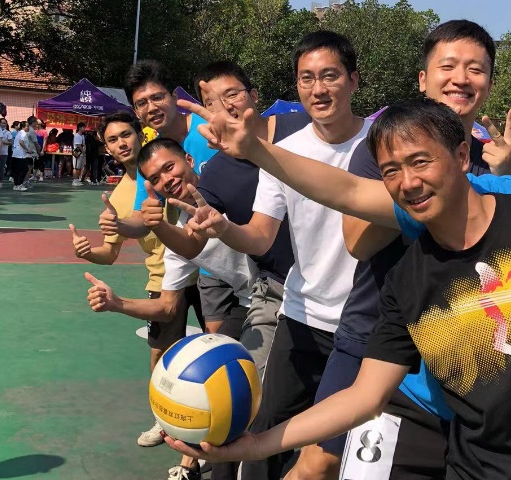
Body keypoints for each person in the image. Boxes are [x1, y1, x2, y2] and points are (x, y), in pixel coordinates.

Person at [166, 95, 511, 480]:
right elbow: (363, 397)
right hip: (480, 468)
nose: (409, 182)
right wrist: (257, 444)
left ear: (462, 156)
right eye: (391, 171)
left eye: (421, 162)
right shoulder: (407, 281)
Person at [174, 31, 369, 480]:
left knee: (333, 454)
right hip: (303, 314)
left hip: (365, 322)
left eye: (330, 76)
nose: (318, 89)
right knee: (265, 434)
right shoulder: (283, 153)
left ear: (354, 80)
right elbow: (261, 238)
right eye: (306, 79)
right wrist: (224, 227)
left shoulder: (379, 143)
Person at [87, 138, 256, 480]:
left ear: (189, 160)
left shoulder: (234, 187)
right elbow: (167, 307)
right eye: (156, 178)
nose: (167, 179)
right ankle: (192, 466)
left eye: (170, 167)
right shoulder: (178, 238)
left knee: (265, 395)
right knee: (217, 372)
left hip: (286, 291)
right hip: (250, 301)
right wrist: (117, 303)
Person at [11, 122, 30, 191]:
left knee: (16, 170)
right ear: (23, 127)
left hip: (15, 153)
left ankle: (16, 185)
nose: (28, 127)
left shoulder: (19, 133)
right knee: (24, 169)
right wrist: (27, 150)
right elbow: (21, 142)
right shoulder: (23, 133)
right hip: (20, 155)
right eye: (27, 126)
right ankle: (19, 184)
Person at [0, 118, 12, 189]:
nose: (3, 124)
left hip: (4, 152)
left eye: (4, 123)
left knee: (1, 167)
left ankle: (1, 181)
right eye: (2, 123)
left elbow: (10, 142)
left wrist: (3, 142)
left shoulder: (7, 132)